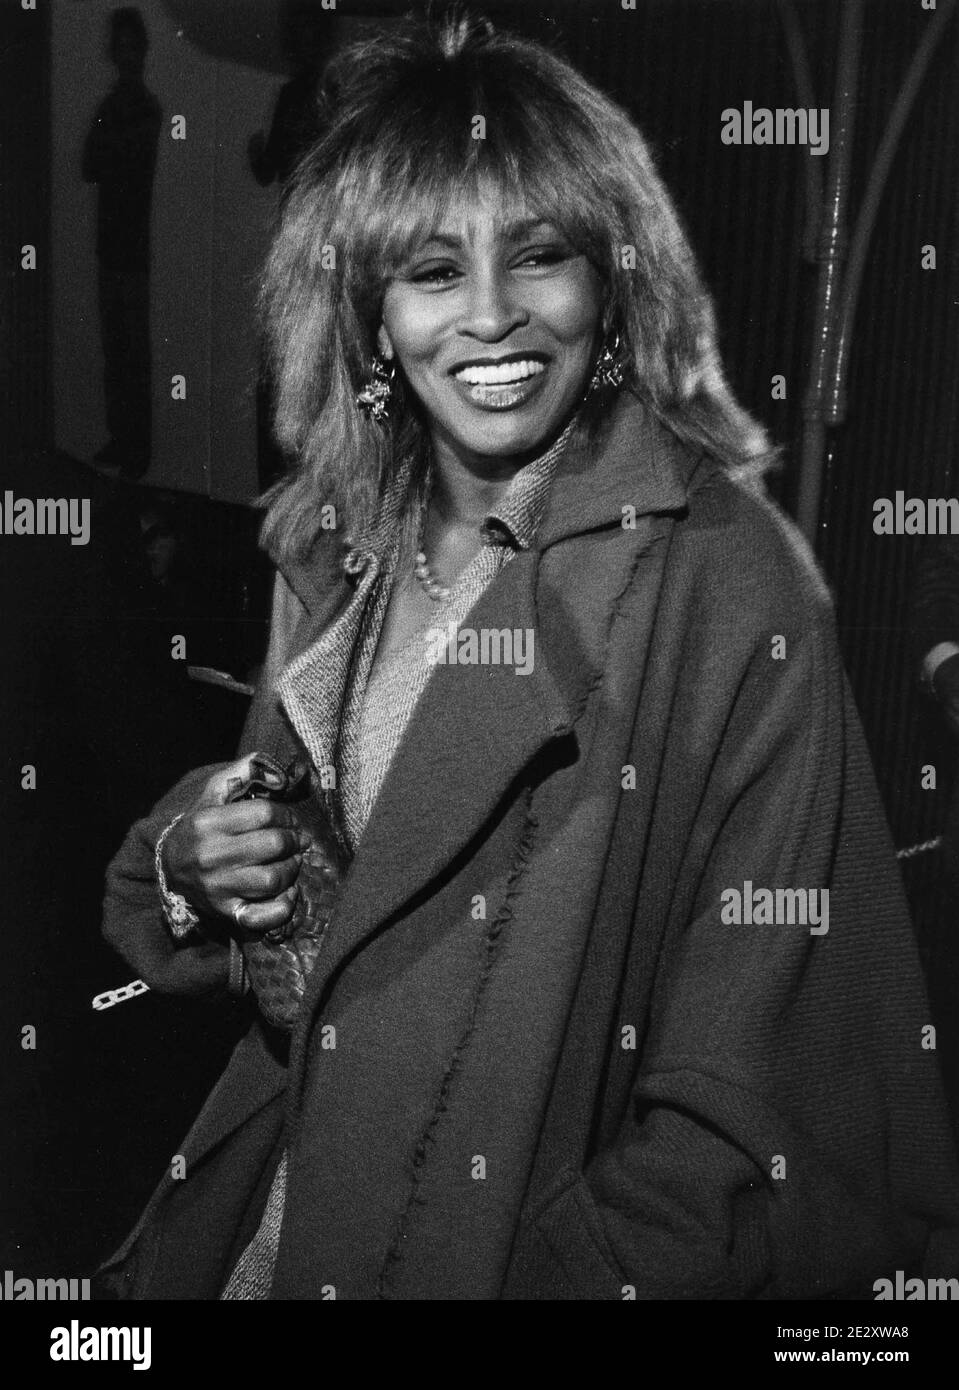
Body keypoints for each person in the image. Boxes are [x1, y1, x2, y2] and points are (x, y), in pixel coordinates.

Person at [97, 13, 959, 1300]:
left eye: (539, 257)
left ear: (609, 289)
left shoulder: (720, 575)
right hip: (269, 1228)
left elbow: (777, 1091)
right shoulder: (340, 538)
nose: (492, 317)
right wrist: (196, 861)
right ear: (372, 317)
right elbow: (302, 860)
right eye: (434, 271)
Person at [82, 7, 161, 480]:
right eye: (122, 46)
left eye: (135, 45)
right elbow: (89, 166)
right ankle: (123, 439)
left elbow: (131, 167)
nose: (128, 55)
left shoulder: (147, 108)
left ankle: (138, 447)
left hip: (137, 246)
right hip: (111, 245)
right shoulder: (110, 105)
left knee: (135, 352)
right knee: (117, 351)